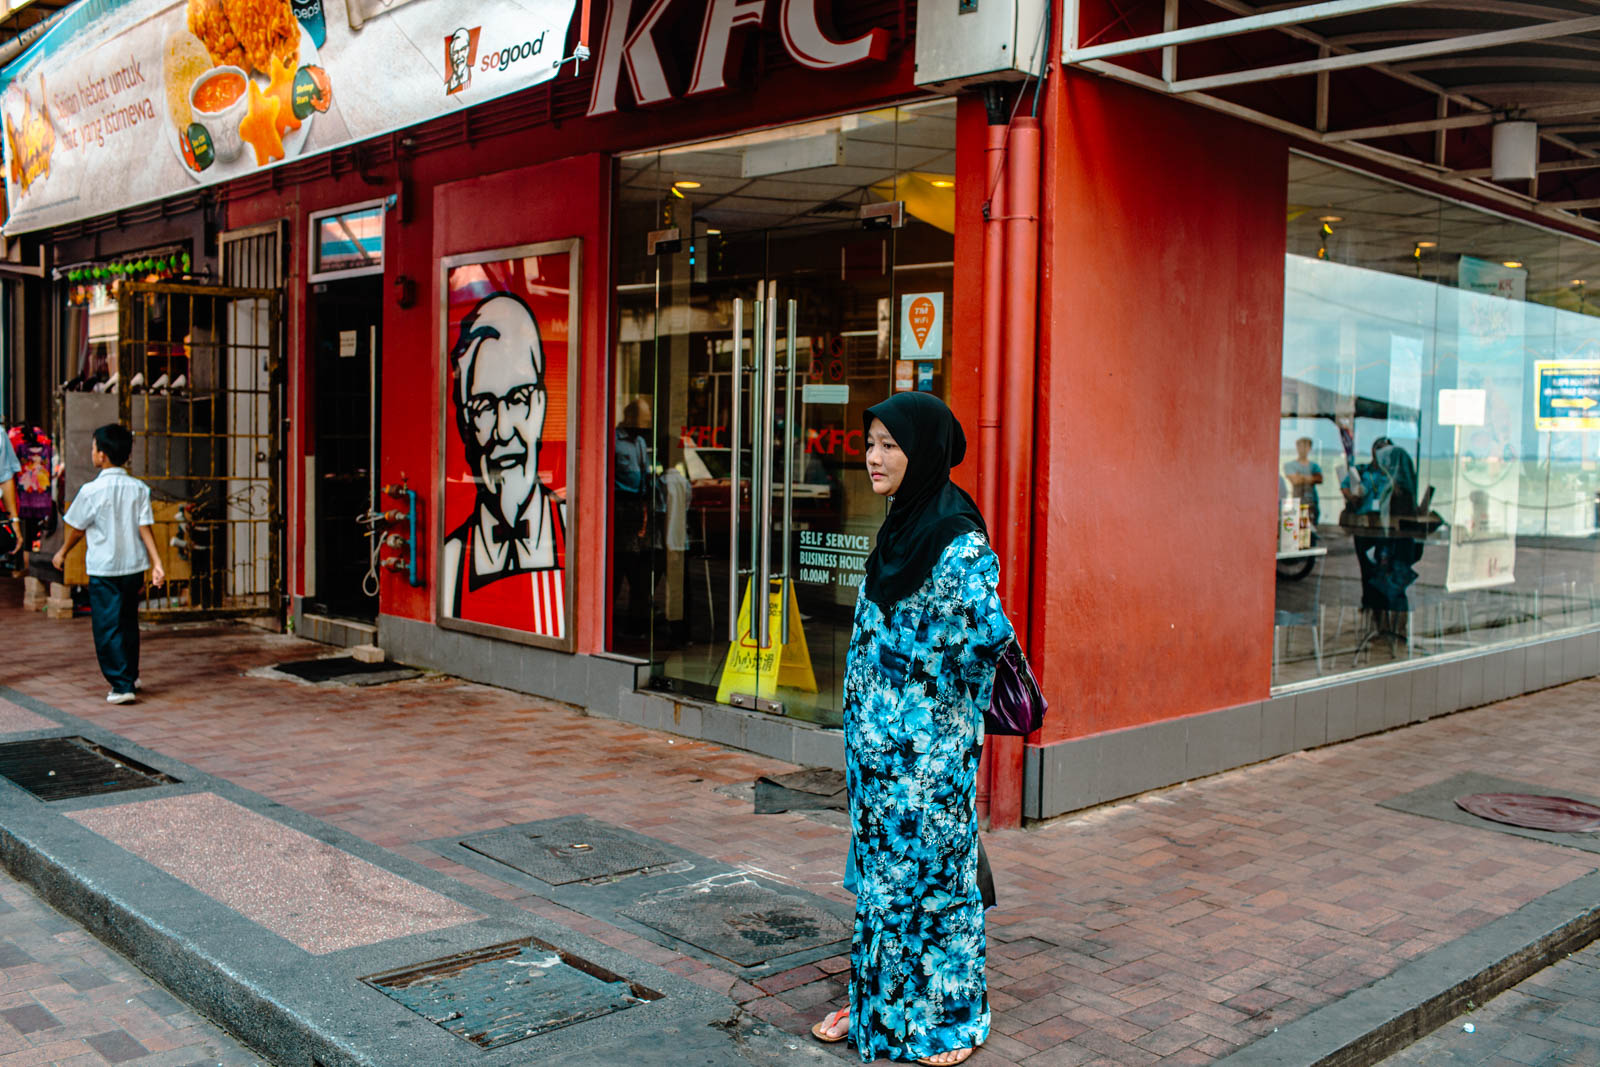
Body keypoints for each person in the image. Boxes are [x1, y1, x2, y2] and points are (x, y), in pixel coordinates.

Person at [812, 393, 1012, 1066]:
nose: (872, 456)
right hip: (875, 759)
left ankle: (948, 1024)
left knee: (936, 889)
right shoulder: (901, 525)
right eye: (869, 442)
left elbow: (989, 640)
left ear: (920, 451)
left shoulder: (957, 538)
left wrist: (927, 696)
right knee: (882, 886)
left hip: (927, 761)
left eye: (889, 445)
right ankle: (882, 1017)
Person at [441, 293, 567, 637]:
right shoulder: (451, 561)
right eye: (484, 405)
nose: (504, 429)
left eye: (518, 399)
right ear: (466, 421)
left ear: (541, 406)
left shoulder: (572, 530)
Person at [51, 424, 165, 704]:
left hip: (104, 569)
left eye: (93, 448)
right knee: (127, 622)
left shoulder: (91, 491)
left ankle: (121, 684)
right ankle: (131, 675)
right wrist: (157, 564)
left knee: (106, 625)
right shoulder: (139, 488)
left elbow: (76, 527)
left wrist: (63, 552)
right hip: (133, 567)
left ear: (102, 455)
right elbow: (145, 528)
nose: (92, 452)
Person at [1283, 436, 1323, 527]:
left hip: (1312, 503)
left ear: (1310, 448)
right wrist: (1311, 478)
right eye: (1301, 446)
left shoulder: (1314, 466)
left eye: (1306, 446)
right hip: (1297, 503)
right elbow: (1295, 481)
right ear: (1297, 447)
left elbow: (1319, 479)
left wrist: (1300, 476)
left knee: (1312, 531)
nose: (1303, 449)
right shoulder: (1290, 465)